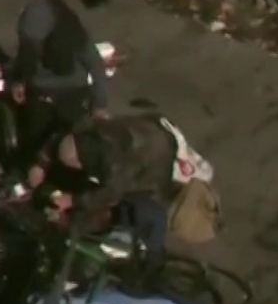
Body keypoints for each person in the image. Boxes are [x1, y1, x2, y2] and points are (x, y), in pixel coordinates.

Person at [26, 113, 177, 281]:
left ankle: (152, 266)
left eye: (78, 166)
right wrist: (41, 162)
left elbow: (110, 194)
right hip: (139, 132)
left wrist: (72, 200)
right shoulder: (86, 126)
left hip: (155, 157)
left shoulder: (117, 164)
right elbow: (61, 138)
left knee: (146, 208)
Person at [8, 0, 111, 155]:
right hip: (51, 93)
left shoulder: (73, 36)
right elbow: (95, 66)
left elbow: (96, 66)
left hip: (65, 95)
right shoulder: (69, 33)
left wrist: (100, 105)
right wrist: (19, 82)